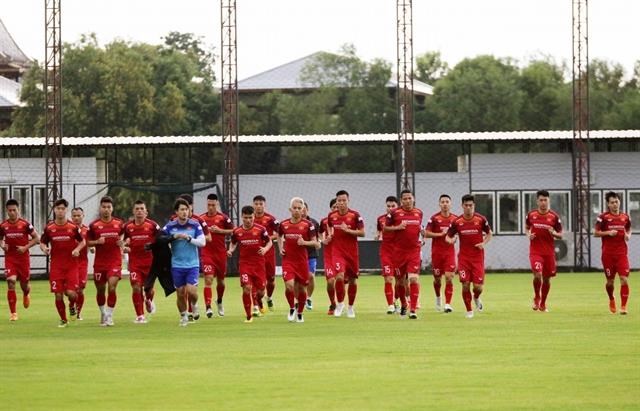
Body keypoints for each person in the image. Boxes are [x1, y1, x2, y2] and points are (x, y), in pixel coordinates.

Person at [39, 199, 85, 327]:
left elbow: (82, 242)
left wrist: (77, 249)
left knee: (71, 294)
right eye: (58, 208)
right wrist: (44, 248)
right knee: (58, 295)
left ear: (66, 211)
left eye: (62, 209)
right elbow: (42, 242)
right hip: (56, 267)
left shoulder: (73, 227)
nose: (60, 211)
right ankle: (64, 320)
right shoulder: (49, 228)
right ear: (54, 210)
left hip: (71, 266)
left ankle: (72, 306)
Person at [161, 198, 207, 326]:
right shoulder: (170, 226)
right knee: (180, 293)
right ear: (176, 212)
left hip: (192, 264)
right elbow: (161, 238)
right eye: (182, 210)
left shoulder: (195, 224)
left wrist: (189, 238)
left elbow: (203, 242)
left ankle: (194, 304)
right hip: (177, 265)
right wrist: (173, 237)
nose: (185, 212)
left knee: (192, 291)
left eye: (186, 209)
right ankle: (183, 316)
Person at [446, 194, 492, 319]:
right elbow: (448, 236)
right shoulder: (457, 222)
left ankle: (476, 297)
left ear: (474, 206)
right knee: (465, 284)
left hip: (477, 258)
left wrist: (483, 243)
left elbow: (489, 233)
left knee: (478, 287)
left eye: (470, 205)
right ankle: (469, 310)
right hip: (464, 259)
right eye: (466, 205)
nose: (468, 208)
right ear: (462, 206)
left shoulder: (481, 219)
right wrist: (450, 240)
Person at [227, 205, 272, 323]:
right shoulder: (237, 231)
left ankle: (259, 300)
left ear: (254, 216)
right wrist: (231, 250)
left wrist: (265, 249)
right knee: (246, 288)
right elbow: (233, 243)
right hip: (245, 265)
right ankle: (248, 316)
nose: (248, 220)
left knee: (261, 291)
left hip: (259, 265)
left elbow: (269, 242)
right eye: (245, 217)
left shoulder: (261, 229)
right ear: (242, 217)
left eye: (250, 217)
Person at [278, 197, 319, 323]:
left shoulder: (308, 225)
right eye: (294, 208)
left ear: (303, 210)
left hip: (302, 261)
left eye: (299, 208)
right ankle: (291, 308)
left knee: (302, 288)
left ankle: (300, 312)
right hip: (288, 260)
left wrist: (304, 242)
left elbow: (316, 243)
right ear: (290, 209)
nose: (296, 210)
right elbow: (279, 236)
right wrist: (280, 248)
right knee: (289, 286)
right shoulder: (283, 224)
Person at [385, 190, 424, 319]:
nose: (407, 201)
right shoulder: (395, 214)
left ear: (413, 199)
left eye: (409, 198)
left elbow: (419, 228)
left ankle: (413, 309)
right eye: (405, 199)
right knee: (400, 281)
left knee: (413, 278)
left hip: (414, 251)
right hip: (398, 252)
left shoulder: (419, 213)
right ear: (401, 201)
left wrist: (423, 233)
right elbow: (386, 228)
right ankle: (403, 304)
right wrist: (397, 227)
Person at [87, 196, 125, 326]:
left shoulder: (119, 224)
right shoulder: (94, 226)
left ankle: (109, 315)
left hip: (114, 262)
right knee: (100, 290)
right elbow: (86, 242)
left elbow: (126, 237)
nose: (106, 209)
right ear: (100, 208)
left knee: (112, 287)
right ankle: (103, 313)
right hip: (100, 263)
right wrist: (97, 242)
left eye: (109, 207)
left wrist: (123, 242)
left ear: (112, 208)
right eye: (104, 207)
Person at [326, 190, 365, 318]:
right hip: (337, 252)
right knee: (339, 276)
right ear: (336, 202)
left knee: (353, 281)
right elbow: (331, 230)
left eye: (344, 200)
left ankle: (351, 307)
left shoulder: (355, 215)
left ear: (348, 201)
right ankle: (340, 303)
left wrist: (348, 230)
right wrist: (329, 238)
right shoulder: (332, 216)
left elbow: (362, 233)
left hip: (352, 253)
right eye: (339, 201)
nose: (341, 203)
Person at [0, 199, 40, 321]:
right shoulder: (3, 226)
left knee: (24, 286)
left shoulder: (25, 224)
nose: (12, 212)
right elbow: (0, 238)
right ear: (6, 211)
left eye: (14, 210)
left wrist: (25, 247)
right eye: (9, 210)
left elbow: (37, 238)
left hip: (23, 259)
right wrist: (2, 245)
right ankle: (13, 313)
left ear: (18, 210)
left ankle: (26, 294)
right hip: (10, 258)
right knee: (11, 282)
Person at [525, 190, 563, 312]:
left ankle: (543, 303)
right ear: (537, 201)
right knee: (538, 275)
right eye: (541, 200)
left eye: (545, 200)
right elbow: (527, 228)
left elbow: (561, 235)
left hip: (549, 253)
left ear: (548, 201)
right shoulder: (531, 215)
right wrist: (528, 234)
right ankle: (537, 297)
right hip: (535, 251)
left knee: (546, 279)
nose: (543, 202)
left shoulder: (554, 217)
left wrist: (554, 233)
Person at [594, 191, 632, 315]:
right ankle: (611, 299)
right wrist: (608, 233)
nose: (615, 204)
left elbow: (628, 228)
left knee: (624, 279)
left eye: (616, 202)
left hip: (622, 254)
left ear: (619, 202)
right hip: (608, 255)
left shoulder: (625, 217)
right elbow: (595, 233)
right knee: (610, 282)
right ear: (608, 204)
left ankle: (624, 306)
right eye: (612, 202)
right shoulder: (603, 217)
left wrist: (628, 235)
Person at [123, 200, 160, 323]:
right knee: (136, 287)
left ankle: (148, 300)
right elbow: (123, 242)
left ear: (146, 212)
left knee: (149, 290)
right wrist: (125, 247)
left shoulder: (153, 226)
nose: (139, 211)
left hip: (150, 263)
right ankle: (140, 316)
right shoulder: (128, 227)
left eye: (142, 209)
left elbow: (160, 240)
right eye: (137, 209)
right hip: (135, 264)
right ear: (133, 211)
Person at [200, 193, 233, 318]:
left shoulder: (223, 218)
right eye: (209, 205)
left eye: (213, 205)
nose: (211, 207)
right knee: (208, 279)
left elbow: (233, 231)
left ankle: (219, 301)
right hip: (207, 254)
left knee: (221, 282)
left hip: (220, 254)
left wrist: (220, 231)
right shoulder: (201, 219)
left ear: (217, 204)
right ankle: (208, 307)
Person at [424, 194, 457, 313]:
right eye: (442, 202)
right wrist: (440, 234)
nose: (445, 204)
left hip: (449, 253)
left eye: (447, 201)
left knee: (449, 277)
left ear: (450, 203)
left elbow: (457, 235)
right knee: (437, 279)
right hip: (437, 253)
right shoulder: (434, 218)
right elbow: (426, 234)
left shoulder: (455, 219)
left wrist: (453, 239)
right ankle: (438, 297)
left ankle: (448, 304)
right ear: (439, 204)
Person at [252, 195, 279, 311]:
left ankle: (269, 297)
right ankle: (257, 304)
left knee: (271, 280)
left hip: (268, 252)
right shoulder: (250, 218)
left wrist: (266, 238)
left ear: (264, 205)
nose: (258, 206)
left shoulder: (271, 219)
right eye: (256, 204)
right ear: (253, 205)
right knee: (257, 281)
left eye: (260, 204)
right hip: (255, 254)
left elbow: (279, 234)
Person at [376, 195, 398, 314]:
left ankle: (400, 300)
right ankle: (390, 305)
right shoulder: (381, 219)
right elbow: (379, 231)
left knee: (401, 280)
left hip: (400, 252)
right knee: (388, 278)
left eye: (393, 206)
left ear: (397, 206)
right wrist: (378, 235)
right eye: (388, 206)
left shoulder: (402, 218)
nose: (390, 208)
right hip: (386, 252)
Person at [71, 207, 90, 320]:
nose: (76, 218)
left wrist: (91, 247)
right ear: (71, 217)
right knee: (69, 291)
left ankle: (78, 313)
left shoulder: (87, 230)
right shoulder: (68, 229)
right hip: (69, 263)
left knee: (80, 289)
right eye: (74, 216)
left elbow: (91, 242)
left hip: (82, 263)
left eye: (79, 215)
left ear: (83, 216)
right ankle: (71, 305)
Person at [319, 199, 337, 315]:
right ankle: (333, 303)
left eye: (337, 206)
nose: (336, 209)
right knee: (330, 281)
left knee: (343, 281)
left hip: (343, 255)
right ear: (331, 209)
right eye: (334, 207)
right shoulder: (324, 221)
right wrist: (323, 240)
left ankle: (344, 303)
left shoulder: (347, 219)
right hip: (329, 256)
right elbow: (320, 234)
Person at [302, 202, 321, 310]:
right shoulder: (293, 222)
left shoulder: (314, 222)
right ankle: (300, 299)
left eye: (304, 208)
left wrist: (319, 242)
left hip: (311, 253)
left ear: (307, 210)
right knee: (299, 280)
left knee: (311, 276)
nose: (302, 210)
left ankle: (308, 298)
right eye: (300, 208)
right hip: (298, 254)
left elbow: (318, 238)